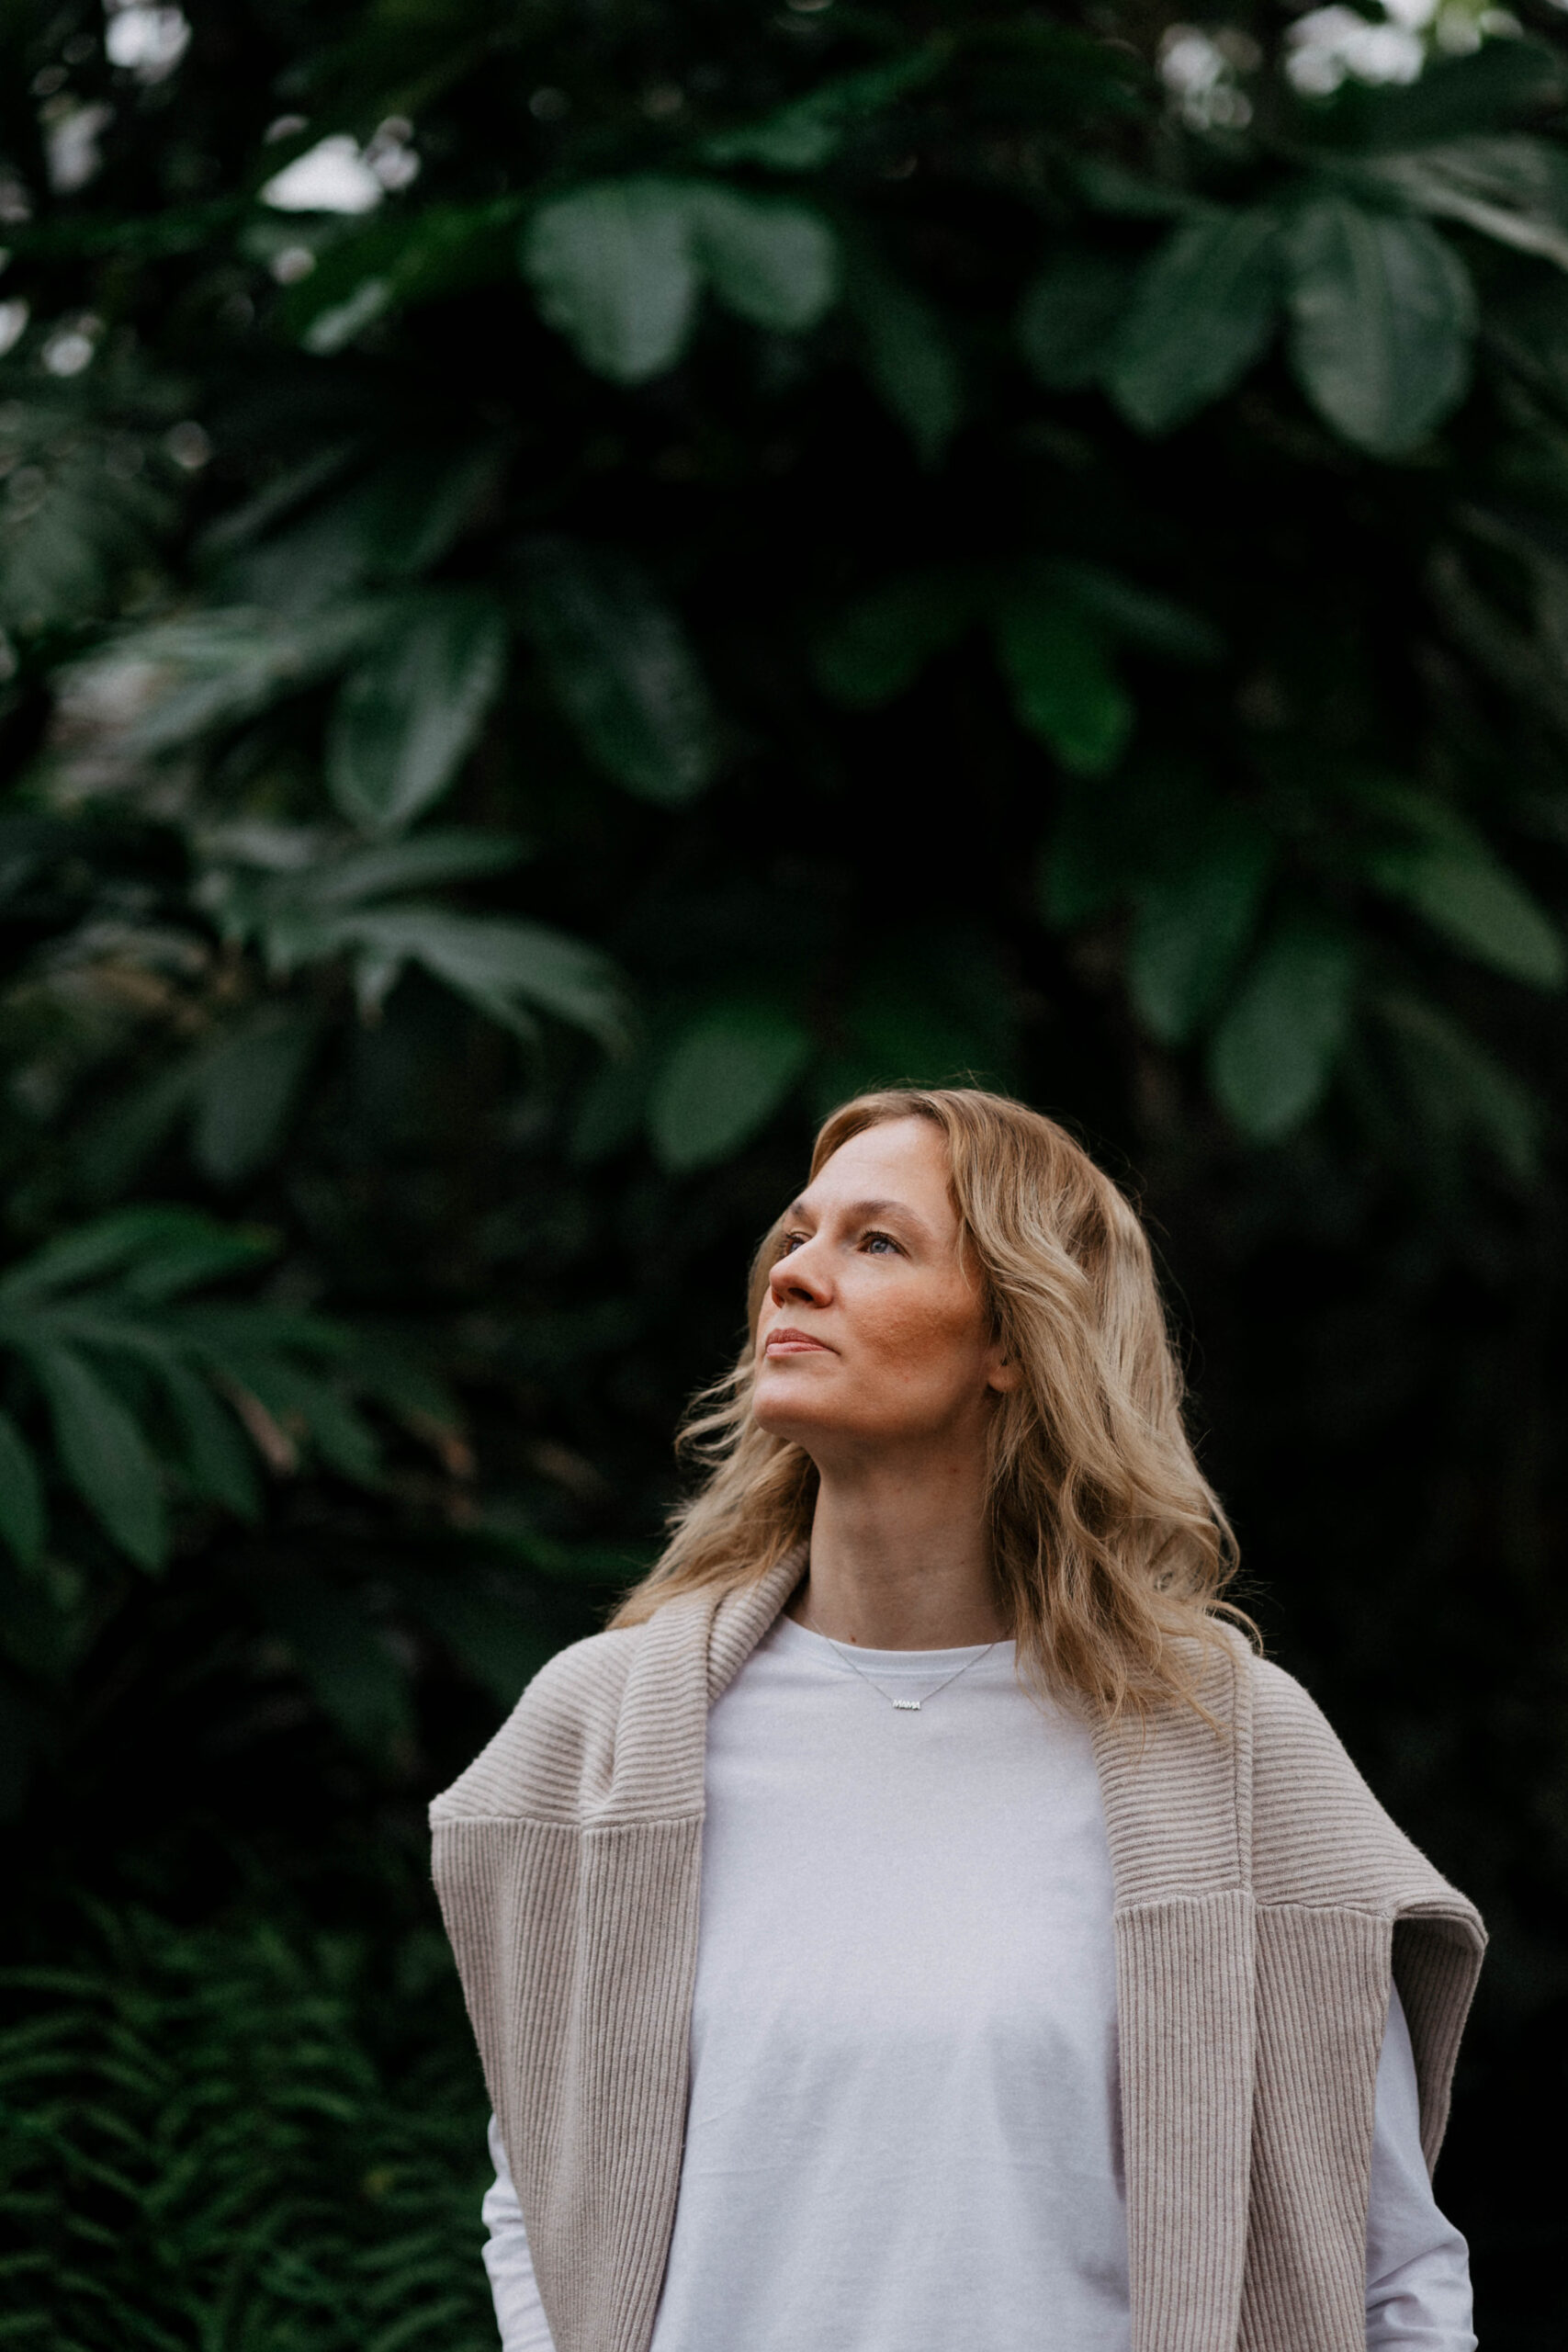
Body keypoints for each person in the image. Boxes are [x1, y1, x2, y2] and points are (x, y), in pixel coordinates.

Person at [432, 1087, 1483, 2352]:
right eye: (797, 1235)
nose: (795, 1273)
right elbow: (539, 2193)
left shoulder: (1228, 1751)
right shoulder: (607, 1734)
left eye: (876, 1242)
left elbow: (1388, 2270)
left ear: (1016, 1339)